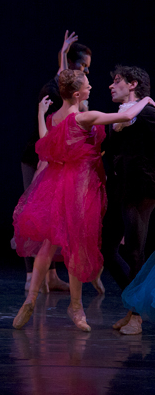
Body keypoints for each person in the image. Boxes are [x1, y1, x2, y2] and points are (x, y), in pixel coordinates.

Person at [13, 69, 155, 332]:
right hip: (80, 185)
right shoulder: (85, 117)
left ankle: (33, 299)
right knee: (78, 245)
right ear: (77, 93)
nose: (97, 87)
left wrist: (40, 114)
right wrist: (145, 101)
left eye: (115, 81)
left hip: (64, 183)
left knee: (52, 244)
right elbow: (123, 118)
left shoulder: (56, 117)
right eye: (88, 85)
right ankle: (77, 307)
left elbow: (45, 141)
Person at [19, 31, 95, 293]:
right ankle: (32, 277)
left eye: (87, 68)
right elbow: (50, 137)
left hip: (57, 164)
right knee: (35, 216)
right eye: (82, 66)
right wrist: (62, 55)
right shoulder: (55, 90)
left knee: (54, 222)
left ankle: (49, 277)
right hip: (39, 160)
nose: (86, 73)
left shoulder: (77, 99)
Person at [101, 65, 155, 335]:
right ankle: (135, 304)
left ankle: (136, 316)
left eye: (118, 81)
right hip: (120, 188)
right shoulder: (120, 115)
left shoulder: (147, 113)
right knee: (106, 250)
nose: (112, 85)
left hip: (141, 188)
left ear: (133, 84)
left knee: (135, 250)